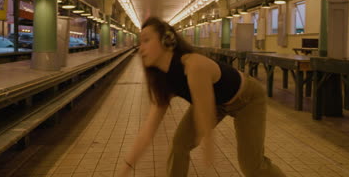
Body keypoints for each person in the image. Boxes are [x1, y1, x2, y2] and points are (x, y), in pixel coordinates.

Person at [118, 17, 286, 177]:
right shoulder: (164, 81)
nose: (141, 48)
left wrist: (208, 149)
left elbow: (204, 115)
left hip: (247, 98)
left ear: (167, 41)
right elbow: (148, 131)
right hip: (215, 103)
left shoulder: (193, 65)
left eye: (146, 40)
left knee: (251, 166)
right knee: (179, 146)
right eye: (140, 42)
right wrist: (126, 166)